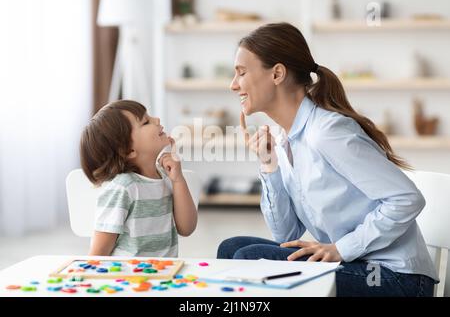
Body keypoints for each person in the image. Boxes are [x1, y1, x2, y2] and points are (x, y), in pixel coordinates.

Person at [217, 23, 438, 296]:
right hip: (354, 265)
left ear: (277, 73)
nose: (233, 84)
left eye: (241, 73)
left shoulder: (327, 133)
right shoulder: (284, 139)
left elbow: (407, 199)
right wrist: (268, 166)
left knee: (249, 259)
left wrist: (339, 249)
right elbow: (285, 236)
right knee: (232, 248)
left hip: (394, 277)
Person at [80, 100, 197, 257]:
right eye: (146, 122)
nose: (157, 120)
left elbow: (187, 228)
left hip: (165, 276)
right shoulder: (123, 188)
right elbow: (99, 252)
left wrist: (178, 180)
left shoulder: (166, 176)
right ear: (128, 150)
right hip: (129, 279)